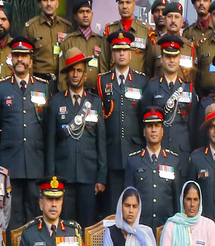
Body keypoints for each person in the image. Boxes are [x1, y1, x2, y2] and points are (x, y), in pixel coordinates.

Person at [0, 37, 49, 228]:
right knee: (11, 216)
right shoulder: (1, 88)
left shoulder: (43, 87)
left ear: (31, 60)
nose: (20, 60)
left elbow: (47, 129)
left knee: (34, 214)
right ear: (10, 58)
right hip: (9, 163)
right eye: (16, 56)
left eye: (24, 56)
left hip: (35, 162)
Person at [46, 47, 107, 227]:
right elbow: (50, 143)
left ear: (85, 74)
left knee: (87, 225)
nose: (75, 74)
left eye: (79, 70)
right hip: (63, 176)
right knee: (65, 225)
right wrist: (51, 177)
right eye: (71, 70)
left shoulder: (94, 102)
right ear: (66, 75)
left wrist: (101, 177)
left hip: (88, 175)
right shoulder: (56, 102)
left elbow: (100, 141)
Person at [97, 29, 147, 207]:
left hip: (135, 150)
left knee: (135, 204)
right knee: (113, 206)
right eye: (117, 50)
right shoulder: (102, 81)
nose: (121, 54)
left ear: (131, 53)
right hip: (112, 153)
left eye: (125, 50)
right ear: (112, 53)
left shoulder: (141, 81)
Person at [141, 35, 199, 159]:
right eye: (168, 57)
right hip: (158, 151)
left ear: (179, 59)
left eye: (175, 57)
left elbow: (193, 126)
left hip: (182, 152)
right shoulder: (152, 87)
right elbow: (143, 120)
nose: (171, 60)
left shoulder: (188, 89)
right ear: (161, 60)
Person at [126, 107, 182, 230]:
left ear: (162, 131)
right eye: (149, 126)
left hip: (166, 228)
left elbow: (177, 201)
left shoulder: (173, 161)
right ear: (144, 131)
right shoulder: (133, 161)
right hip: (140, 228)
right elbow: (128, 199)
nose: (153, 130)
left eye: (157, 126)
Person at [23, 0, 72, 82]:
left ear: (57, 3)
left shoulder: (66, 27)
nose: (49, 3)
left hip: (62, 81)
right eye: (45, 0)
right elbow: (25, 58)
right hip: (38, 80)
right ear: (40, 4)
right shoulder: (31, 27)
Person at [100, 0, 155, 75]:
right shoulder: (110, 30)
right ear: (118, 6)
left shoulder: (146, 31)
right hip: (114, 85)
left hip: (138, 86)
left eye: (128, 2)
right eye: (121, 3)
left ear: (134, 5)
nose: (124, 6)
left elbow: (150, 65)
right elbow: (104, 63)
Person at [55, 0, 102, 91]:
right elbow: (62, 74)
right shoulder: (68, 41)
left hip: (95, 95)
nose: (85, 15)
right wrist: (65, 98)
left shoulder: (100, 41)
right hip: (73, 94)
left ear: (92, 15)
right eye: (81, 12)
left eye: (88, 12)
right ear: (76, 16)